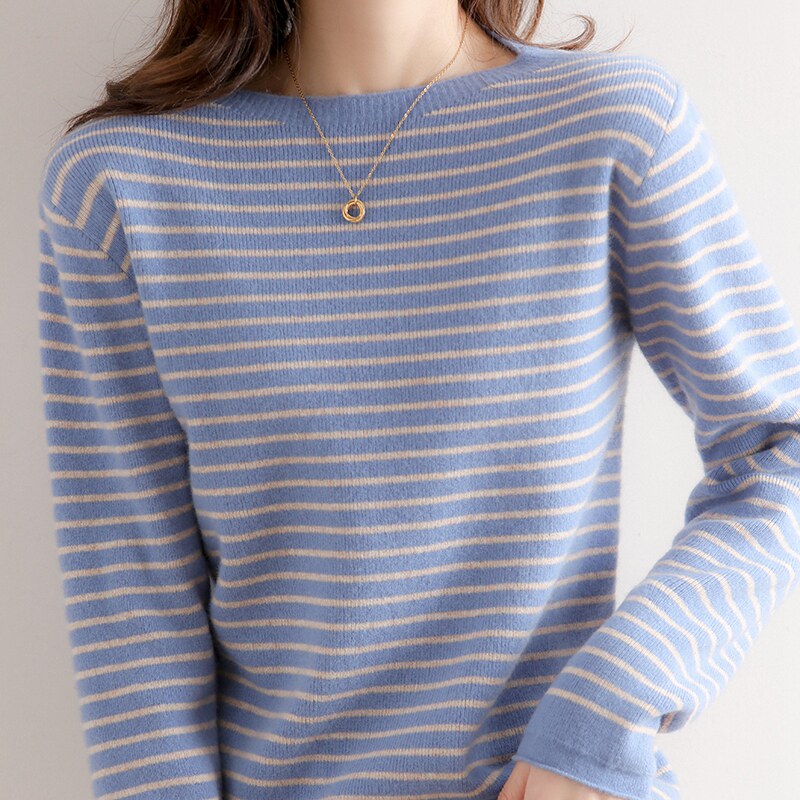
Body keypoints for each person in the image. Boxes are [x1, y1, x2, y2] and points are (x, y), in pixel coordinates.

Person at [36, 1, 800, 799]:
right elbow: (128, 587)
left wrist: (608, 708)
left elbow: (779, 448)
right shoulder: (118, 183)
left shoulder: (611, 126)